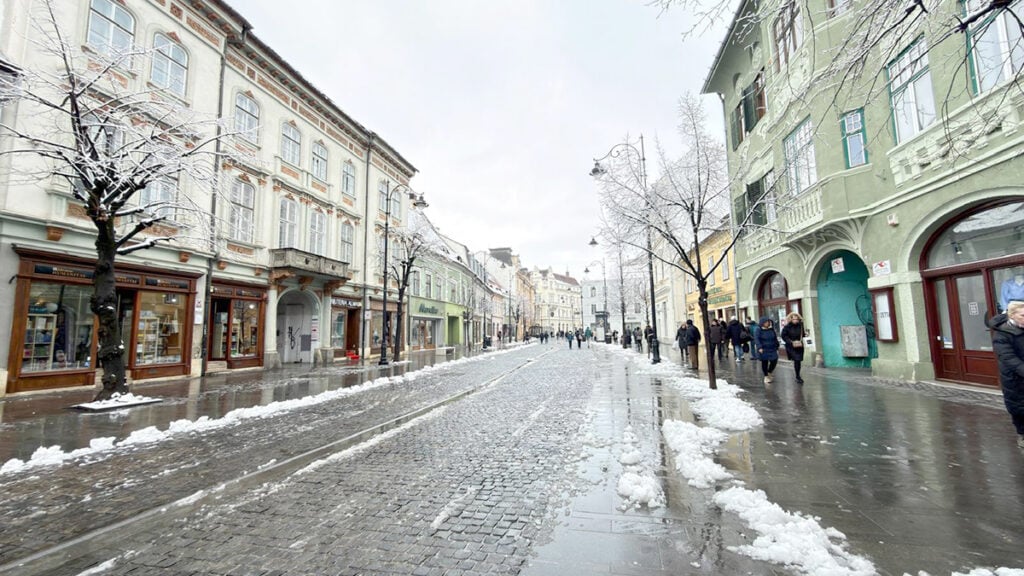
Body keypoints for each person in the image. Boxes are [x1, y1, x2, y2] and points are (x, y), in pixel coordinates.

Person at [986, 300, 1024, 449]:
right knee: (1019, 408)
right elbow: (1008, 358)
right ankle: (1022, 435)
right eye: (1023, 315)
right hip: (1014, 379)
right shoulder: (1002, 334)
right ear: (1012, 315)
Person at [781, 312, 807, 384]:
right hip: (791, 346)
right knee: (796, 359)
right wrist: (790, 341)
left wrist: (805, 336)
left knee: (798, 360)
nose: (796, 320)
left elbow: (803, 334)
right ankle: (798, 376)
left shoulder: (801, 326)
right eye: (794, 319)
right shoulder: (787, 327)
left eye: (797, 319)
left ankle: (797, 375)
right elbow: (783, 336)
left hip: (799, 345)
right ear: (791, 319)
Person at [756, 316, 779, 384]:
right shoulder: (758, 329)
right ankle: (766, 376)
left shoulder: (771, 329)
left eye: (768, 322)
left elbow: (775, 338)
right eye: (766, 322)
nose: (767, 323)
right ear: (762, 323)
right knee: (765, 362)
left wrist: (777, 345)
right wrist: (759, 347)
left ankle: (769, 371)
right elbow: (757, 339)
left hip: (772, 347)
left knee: (774, 360)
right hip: (764, 348)